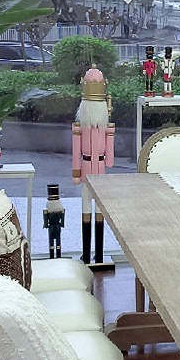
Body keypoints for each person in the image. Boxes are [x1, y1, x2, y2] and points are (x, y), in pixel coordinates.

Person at [72, 66, 115, 265]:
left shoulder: (105, 127)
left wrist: (110, 136)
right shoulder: (79, 127)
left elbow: (110, 158)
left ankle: (98, 253)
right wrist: (76, 172)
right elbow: (76, 152)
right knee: (85, 208)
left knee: (99, 211)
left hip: (100, 169)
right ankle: (86, 253)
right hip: (86, 168)